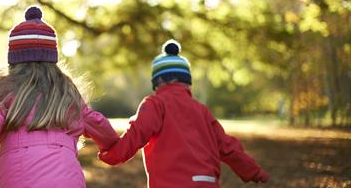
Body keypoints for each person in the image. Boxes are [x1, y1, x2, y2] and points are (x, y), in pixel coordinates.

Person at [0, 6, 119, 188]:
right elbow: (95, 121)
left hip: (16, 178)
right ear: (52, 58)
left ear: (14, 59)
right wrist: (114, 146)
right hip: (66, 179)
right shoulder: (65, 91)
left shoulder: (5, 90)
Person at [99, 39, 269, 188]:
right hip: (207, 182)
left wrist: (111, 154)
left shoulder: (156, 104)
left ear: (158, 82)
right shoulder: (202, 111)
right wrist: (254, 172)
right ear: (188, 83)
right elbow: (228, 146)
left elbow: (136, 134)